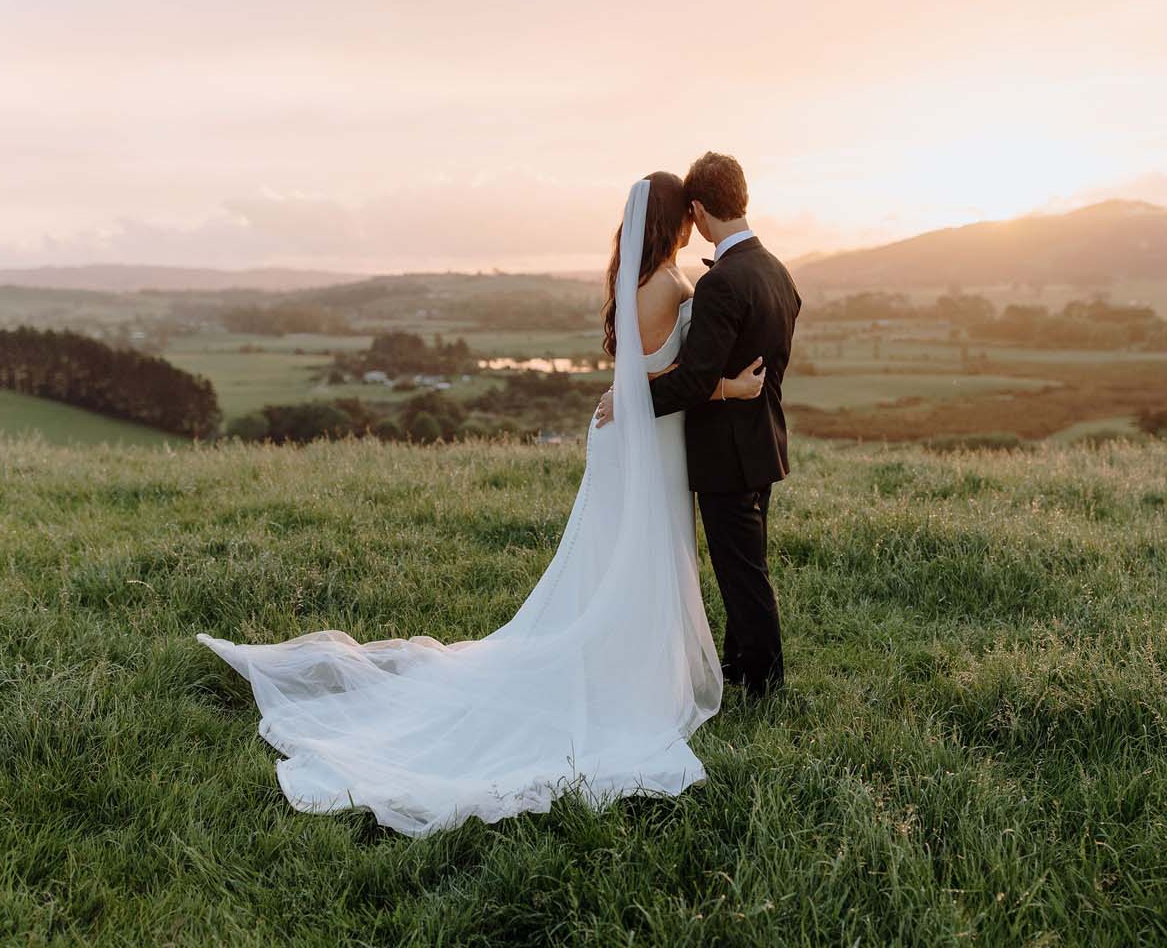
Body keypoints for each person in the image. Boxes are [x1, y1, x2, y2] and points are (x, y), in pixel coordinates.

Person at [197, 171, 765, 836]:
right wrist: (729, 388)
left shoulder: (631, 284)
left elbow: (641, 372)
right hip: (653, 437)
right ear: (676, 222)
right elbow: (685, 378)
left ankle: (620, 659)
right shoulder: (674, 286)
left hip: (624, 433)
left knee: (616, 553)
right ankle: (635, 674)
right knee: (645, 548)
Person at [597, 152, 800, 697]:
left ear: (700, 210)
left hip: (724, 450)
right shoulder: (777, 271)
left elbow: (691, 381)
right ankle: (737, 664)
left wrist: (631, 398)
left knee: (742, 573)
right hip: (763, 442)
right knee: (746, 564)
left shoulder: (720, 282)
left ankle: (762, 680)